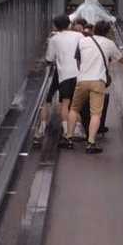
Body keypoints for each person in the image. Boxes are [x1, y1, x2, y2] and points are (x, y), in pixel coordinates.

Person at [71, 20, 123, 153]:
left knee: (74, 109)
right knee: (96, 114)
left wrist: (81, 71)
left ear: (94, 29)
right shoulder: (109, 44)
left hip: (82, 80)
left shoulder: (83, 41)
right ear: (107, 32)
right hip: (98, 81)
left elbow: (78, 60)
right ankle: (91, 143)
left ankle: (67, 138)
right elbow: (121, 58)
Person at [40, 15, 81, 149]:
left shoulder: (54, 39)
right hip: (80, 73)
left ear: (56, 26)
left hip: (64, 74)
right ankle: (77, 129)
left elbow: (49, 58)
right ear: (69, 24)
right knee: (76, 104)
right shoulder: (78, 36)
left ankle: (66, 130)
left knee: (65, 103)